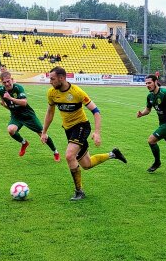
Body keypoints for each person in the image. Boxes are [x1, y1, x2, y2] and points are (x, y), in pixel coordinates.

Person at [41, 66, 127, 201]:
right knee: (86, 165)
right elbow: (50, 112)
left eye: (52, 78)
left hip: (81, 126)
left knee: (70, 156)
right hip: (68, 129)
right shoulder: (52, 93)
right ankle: (113, 154)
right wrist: (44, 132)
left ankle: (79, 191)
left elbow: (96, 111)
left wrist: (97, 132)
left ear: (61, 78)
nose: (50, 81)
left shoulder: (77, 92)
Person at [0, 71, 60, 161]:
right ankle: (24, 143)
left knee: (43, 134)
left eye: (8, 81)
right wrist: (4, 104)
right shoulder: (0, 90)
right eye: (4, 82)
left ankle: (55, 152)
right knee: (11, 130)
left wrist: (10, 98)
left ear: (12, 79)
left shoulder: (18, 88)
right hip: (16, 116)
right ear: (1, 83)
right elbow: (4, 102)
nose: (7, 84)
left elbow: (24, 102)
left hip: (28, 115)